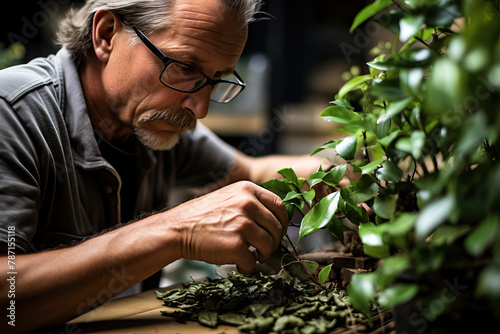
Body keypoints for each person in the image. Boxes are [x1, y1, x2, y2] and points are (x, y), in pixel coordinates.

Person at [0, 0, 329, 332]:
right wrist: (177, 231)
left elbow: (252, 173)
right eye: (185, 67)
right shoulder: (12, 115)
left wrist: (337, 174)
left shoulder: (153, 124)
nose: (200, 109)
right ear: (106, 35)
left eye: (216, 79)